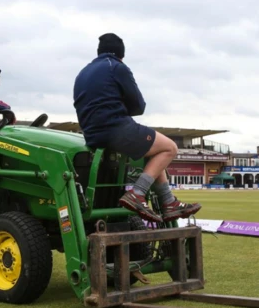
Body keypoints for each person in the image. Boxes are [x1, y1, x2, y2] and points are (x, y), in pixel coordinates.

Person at [73, 33, 201, 223]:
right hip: (115, 128)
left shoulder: (82, 72)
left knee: (153, 152)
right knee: (169, 147)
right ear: (121, 55)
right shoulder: (117, 67)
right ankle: (137, 193)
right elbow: (139, 106)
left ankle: (169, 203)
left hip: (91, 134)